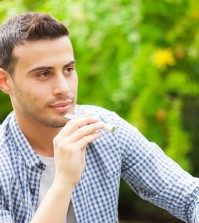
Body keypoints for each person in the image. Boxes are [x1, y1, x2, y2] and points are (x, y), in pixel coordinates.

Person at [0, 12, 198, 223]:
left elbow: (190, 196)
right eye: (43, 74)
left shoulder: (103, 128)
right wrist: (63, 183)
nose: (63, 88)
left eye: (68, 69)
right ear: (5, 81)